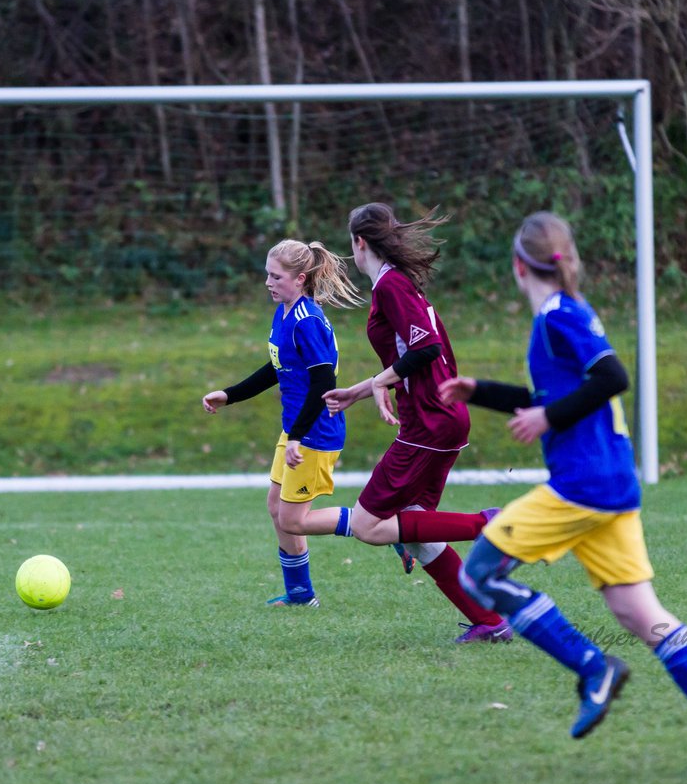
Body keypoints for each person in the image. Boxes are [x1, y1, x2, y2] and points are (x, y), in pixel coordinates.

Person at [439, 210, 687, 775]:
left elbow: (613, 378)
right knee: (639, 613)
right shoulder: (566, 315)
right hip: (611, 485)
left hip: (583, 484)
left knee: (480, 574)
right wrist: (483, 392)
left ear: (519, 266)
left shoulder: (558, 317)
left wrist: (545, 417)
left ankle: (592, 666)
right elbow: (558, 395)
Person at [291, 202, 512, 644]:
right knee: (415, 527)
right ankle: (491, 622)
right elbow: (411, 354)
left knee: (370, 526)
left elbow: (425, 348)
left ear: (359, 242)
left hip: (429, 422)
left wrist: (382, 383)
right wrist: (361, 389)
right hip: (440, 418)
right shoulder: (398, 284)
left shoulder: (390, 286)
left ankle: (492, 525)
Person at [202, 238, 362, 607]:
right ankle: (300, 594)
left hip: (314, 434)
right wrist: (230, 394)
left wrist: (298, 437)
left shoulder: (307, 322)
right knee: (277, 508)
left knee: (293, 520)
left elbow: (325, 384)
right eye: (267, 275)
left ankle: (379, 525)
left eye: (276, 277)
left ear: (300, 278)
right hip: (296, 431)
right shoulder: (285, 312)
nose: (268, 283)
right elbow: (277, 368)